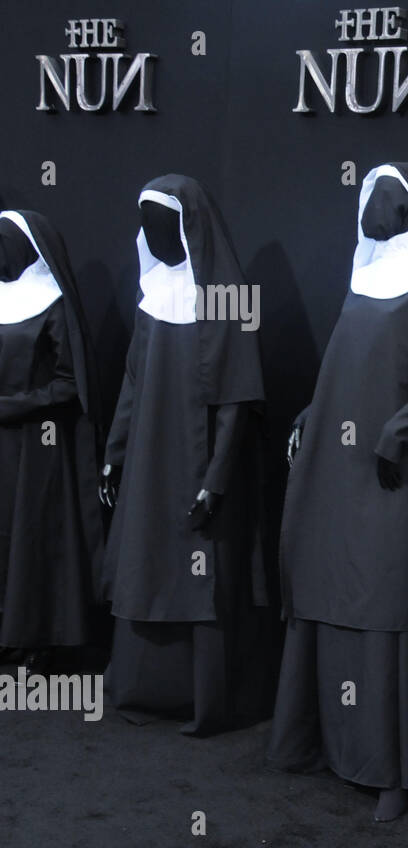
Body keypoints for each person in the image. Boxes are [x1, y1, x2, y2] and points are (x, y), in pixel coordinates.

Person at [268, 163, 408, 822]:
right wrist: (310, 416)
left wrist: (398, 431)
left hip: (396, 471)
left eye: (388, 195)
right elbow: (341, 365)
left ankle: (391, 768)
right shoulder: (365, 271)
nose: (373, 205)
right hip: (336, 461)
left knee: (384, 600)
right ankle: (320, 741)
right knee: (326, 582)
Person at [101, 174, 276, 736]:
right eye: (145, 222)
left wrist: (216, 478)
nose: (152, 233)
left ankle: (203, 700)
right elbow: (133, 381)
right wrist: (116, 451)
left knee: (199, 573)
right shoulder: (153, 292)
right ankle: (142, 688)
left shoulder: (228, 298)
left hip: (197, 468)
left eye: (162, 222)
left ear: (187, 226)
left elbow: (237, 402)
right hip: (150, 461)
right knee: (146, 563)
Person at [0, 210, 103, 669]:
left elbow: (69, 382)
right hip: (3, 443)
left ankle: (36, 636)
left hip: (38, 445)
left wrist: (14, 405)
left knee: (32, 537)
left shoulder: (52, 302)